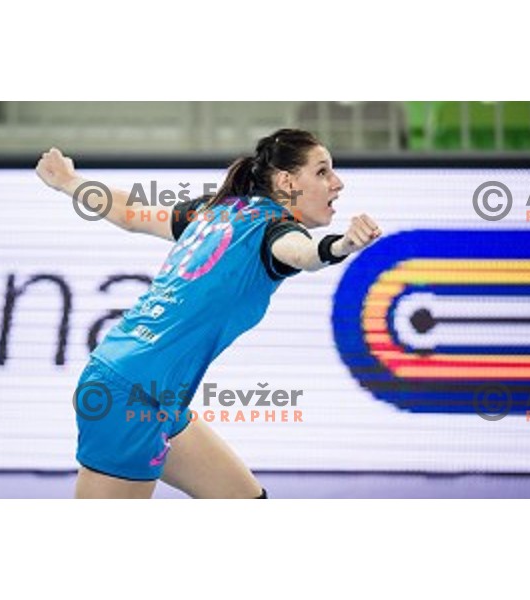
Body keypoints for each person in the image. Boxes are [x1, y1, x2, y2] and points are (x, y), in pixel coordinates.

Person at [35, 128, 382, 499]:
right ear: (286, 181)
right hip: (129, 397)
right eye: (322, 171)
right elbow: (303, 254)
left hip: (150, 393)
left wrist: (70, 182)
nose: (337, 183)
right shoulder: (274, 231)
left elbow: (129, 213)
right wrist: (343, 245)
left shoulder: (217, 209)